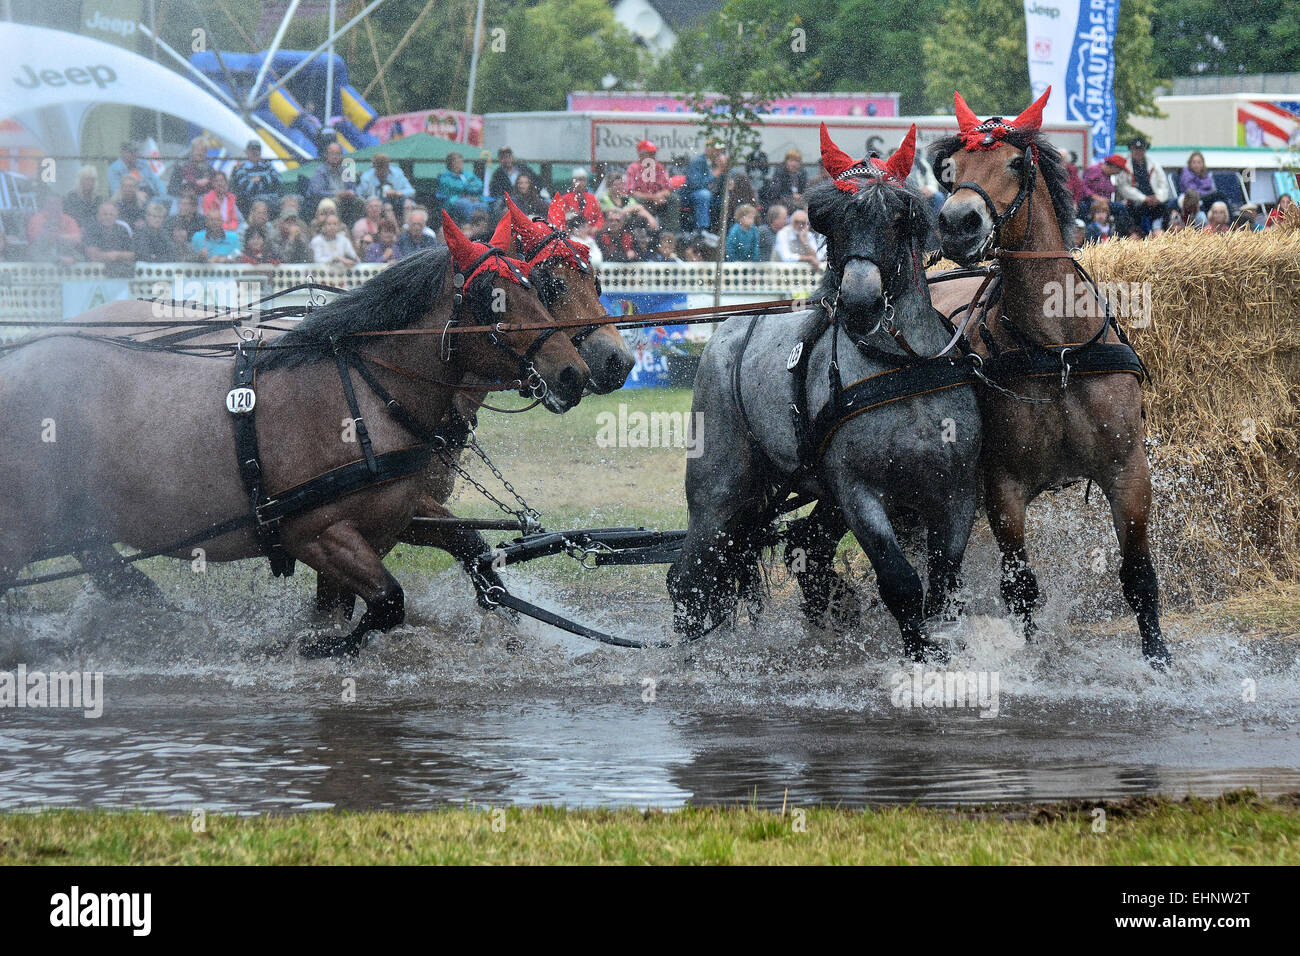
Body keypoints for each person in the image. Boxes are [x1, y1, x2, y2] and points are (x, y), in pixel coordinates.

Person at [624, 140, 679, 229]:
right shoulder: (633, 168)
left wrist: (660, 196)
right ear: (641, 155)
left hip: (659, 200)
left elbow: (667, 189)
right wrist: (654, 198)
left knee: (673, 199)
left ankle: (671, 233)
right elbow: (631, 192)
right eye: (650, 154)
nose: (653, 156)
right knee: (636, 200)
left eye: (653, 153)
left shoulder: (659, 167)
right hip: (642, 201)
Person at [308, 141, 362, 223]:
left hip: (346, 200)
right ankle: (336, 227)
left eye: (338, 154)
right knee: (335, 202)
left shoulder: (346, 171)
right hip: (329, 200)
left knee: (360, 201)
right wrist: (338, 195)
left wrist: (351, 193)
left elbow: (353, 189)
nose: (335, 156)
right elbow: (317, 192)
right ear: (326, 155)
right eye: (332, 154)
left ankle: (356, 227)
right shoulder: (320, 171)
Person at [1080, 154, 1132, 234]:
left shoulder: (1108, 176)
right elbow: (1083, 187)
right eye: (1119, 169)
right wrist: (1097, 198)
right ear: (1113, 166)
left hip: (1105, 203)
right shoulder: (1093, 170)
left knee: (1122, 208)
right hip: (1090, 201)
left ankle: (1119, 234)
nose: (1118, 172)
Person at [26, 192, 82, 264]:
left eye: (57, 204)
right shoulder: (36, 220)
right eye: (51, 204)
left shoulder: (68, 221)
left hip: (63, 269)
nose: (54, 207)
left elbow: (78, 243)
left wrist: (74, 260)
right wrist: (58, 259)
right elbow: (35, 248)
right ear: (45, 205)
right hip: (40, 270)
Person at [229, 139, 281, 217]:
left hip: (271, 199)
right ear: (246, 152)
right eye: (252, 149)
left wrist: (260, 179)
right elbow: (248, 187)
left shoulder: (267, 165)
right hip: (251, 202)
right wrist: (268, 180)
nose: (255, 152)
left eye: (258, 150)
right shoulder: (240, 168)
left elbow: (279, 180)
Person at [682, 140, 725, 231]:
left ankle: (725, 228)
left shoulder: (719, 163)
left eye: (720, 151)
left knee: (727, 197)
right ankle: (702, 229)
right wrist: (713, 175)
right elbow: (695, 184)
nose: (718, 153)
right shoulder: (697, 162)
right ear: (708, 150)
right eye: (716, 150)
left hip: (714, 195)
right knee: (704, 195)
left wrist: (726, 171)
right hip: (693, 195)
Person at [83, 200, 136, 274]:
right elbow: (93, 255)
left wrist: (116, 255)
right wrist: (111, 256)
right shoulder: (92, 229)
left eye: (111, 214)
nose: (108, 217)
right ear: (98, 216)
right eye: (105, 214)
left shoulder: (122, 229)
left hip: (121, 272)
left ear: (116, 216)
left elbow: (133, 254)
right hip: (95, 273)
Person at [437, 152, 487, 222]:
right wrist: (469, 186)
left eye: (461, 162)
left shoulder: (468, 174)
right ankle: (470, 226)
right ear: (451, 164)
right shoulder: (444, 177)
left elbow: (479, 185)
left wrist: (469, 189)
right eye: (457, 162)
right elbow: (458, 188)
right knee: (467, 205)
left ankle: (483, 227)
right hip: (454, 200)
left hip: (473, 198)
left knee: (482, 205)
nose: (460, 164)